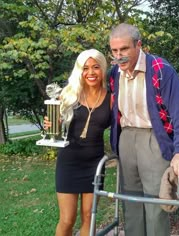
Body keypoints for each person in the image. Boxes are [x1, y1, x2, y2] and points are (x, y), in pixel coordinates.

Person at [108, 23, 179, 236]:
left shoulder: (160, 69)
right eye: (114, 51)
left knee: (156, 203)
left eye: (124, 49)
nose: (119, 56)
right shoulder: (114, 74)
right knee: (130, 201)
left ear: (139, 45)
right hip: (126, 139)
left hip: (154, 140)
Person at [44, 49, 111, 236]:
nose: (91, 72)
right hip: (69, 163)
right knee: (67, 219)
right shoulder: (68, 94)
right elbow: (54, 123)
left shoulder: (111, 98)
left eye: (96, 67)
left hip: (95, 165)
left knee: (89, 218)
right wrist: (51, 123)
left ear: (103, 69)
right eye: (86, 68)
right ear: (80, 71)